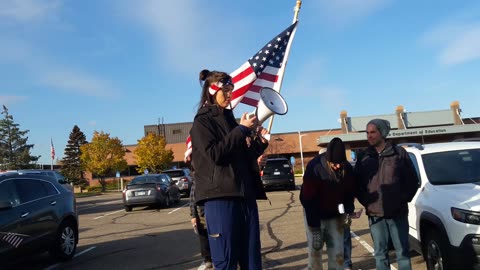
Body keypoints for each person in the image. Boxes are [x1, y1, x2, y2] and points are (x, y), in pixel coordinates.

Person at [190, 69, 269, 270]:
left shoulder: (231, 120)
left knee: (252, 260)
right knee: (226, 261)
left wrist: (259, 142)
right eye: (224, 90)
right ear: (211, 90)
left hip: (245, 196)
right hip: (220, 198)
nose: (229, 94)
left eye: (231, 89)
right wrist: (241, 130)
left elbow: (243, 157)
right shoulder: (202, 122)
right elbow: (216, 154)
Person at [354, 119, 419, 270]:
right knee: (380, 254)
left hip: (398, 213)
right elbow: (357, 184)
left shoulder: (399, 153)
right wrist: (368, 202)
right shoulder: (364, 156)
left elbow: (412, 181)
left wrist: (401, 200)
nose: (369, 136)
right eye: (367, 133)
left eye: (373, 132)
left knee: (402, 252)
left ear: (382, 133)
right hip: (375, 215)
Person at [300, 137, 355, 270]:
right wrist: (315, 228)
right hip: (315, 213)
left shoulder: (346, 168)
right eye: (334, 164)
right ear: (327, 159)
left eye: (339, 163)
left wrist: (348, 211)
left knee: (337, 253)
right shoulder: (315, 167)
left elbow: (349, 192)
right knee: (315, 252)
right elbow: (307, 199)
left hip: (335, 215)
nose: (337, 166)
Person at [186, 154, 213, 270]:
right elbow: (192, 199)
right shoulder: (196, 180)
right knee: (204, 238)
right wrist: (193, 216)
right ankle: (207, 260)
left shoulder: (212, 175)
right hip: (201, 214)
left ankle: (219, 258)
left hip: (213, 211)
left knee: (217, 236)